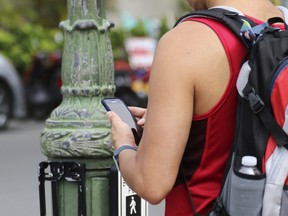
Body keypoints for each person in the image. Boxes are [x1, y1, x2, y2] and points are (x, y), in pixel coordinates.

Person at [107, 0, 288, 215]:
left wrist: (124, 144)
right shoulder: (281, 25)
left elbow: (151, 183)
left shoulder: (186, 41)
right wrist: (169, 123)